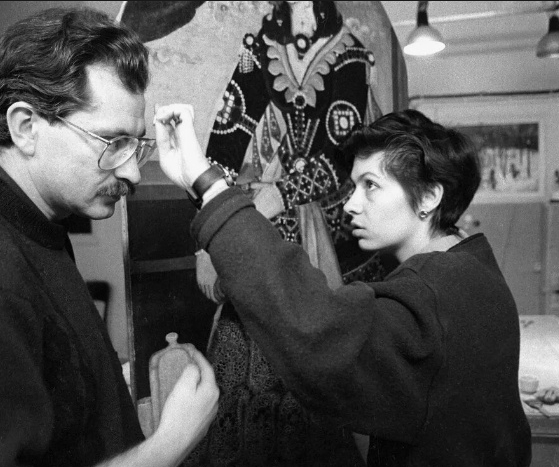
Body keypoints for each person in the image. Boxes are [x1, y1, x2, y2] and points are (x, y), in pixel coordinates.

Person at [0, 8, 218, 467]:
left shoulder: (29, 222)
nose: (131, 173)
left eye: (135, 145)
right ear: (26, 127)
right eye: (112, 143)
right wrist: (168, 445)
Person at [154, 104, 532, 466]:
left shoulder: (429, 296)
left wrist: (209, 185)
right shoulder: (471, 270)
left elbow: (313, 331)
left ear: (430, 197)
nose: (351, 204)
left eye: (371, 185)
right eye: (354, 186)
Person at [187, 3, 387, 465]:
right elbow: (226, 138)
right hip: (263, 217)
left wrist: (282, 194)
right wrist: (210, 231)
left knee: (316, 366)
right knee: (240, 354)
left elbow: (343, 155)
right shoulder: (260, 50)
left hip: (332, 231)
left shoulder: (349, 56)